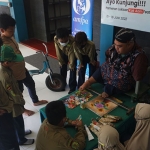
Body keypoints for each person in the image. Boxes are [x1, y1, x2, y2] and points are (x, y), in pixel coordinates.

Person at [0, 13, 48, 116]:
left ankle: (35, 101)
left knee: (31, 84)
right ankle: (23, 110)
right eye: (10, 31)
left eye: (13, 30)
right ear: (2, 30)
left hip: (22, 69)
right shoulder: (2, 45)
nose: (13, 33)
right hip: (14, 75)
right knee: (19, 93)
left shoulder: (11, 37)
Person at [79, 28, 148, 98]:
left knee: (120, 82)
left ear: (129, 45)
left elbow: (137, 77)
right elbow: (107, 62)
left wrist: (139, 63)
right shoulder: (114, 48)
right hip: (111, 74)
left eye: (120, 46)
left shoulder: (139, 56)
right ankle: (88, 82)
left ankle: (107, 91)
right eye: (115, 44)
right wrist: (88, 82)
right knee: (103, 67)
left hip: (122, 79)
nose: (116, 48)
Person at [0, 45, 34, 145]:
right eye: (13, 61)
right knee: (17, 121)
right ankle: (21, 139)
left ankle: (22, 133)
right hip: (13, 104)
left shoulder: (7, 70)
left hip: (16, 100)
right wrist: (20, 101)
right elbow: (12, 93)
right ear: (6, 62)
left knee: (19, 120)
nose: (15, 62)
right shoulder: (5, 75)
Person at [0, 38, 20, 150]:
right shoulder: (3, 74)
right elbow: (10, 92)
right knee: (9, 143)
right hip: (3, 114)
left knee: (12, 137)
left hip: (6, 109)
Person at [54, 27, 77, 94]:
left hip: (72, 53)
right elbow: (57, 50)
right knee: (62, 67)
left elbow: (71, 54)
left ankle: (72, 88)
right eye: (61, 41)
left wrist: (71, 64)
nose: (63, 42)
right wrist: (60, 61)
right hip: (62, 53)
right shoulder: (55, 38)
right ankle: (62, 84)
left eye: (65, 40)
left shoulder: (72, 41)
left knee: (72, 69)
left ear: (67, 36)